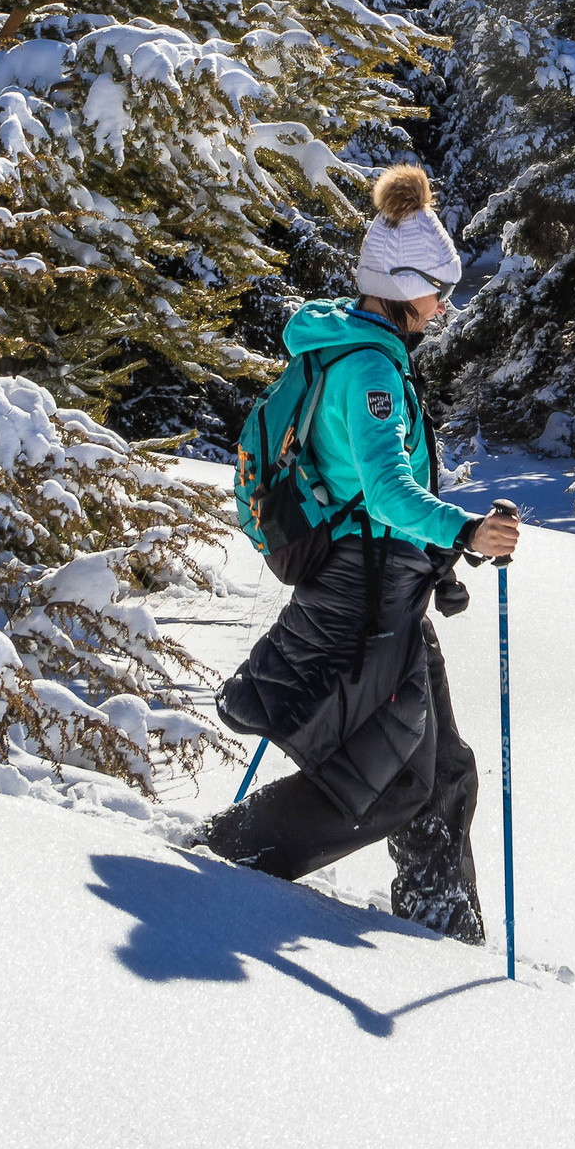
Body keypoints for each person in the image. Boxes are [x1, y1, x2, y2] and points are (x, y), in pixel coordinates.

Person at [201, 164, 519, 941]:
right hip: (364, 589)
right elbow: (382, 491)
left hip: (392, 582)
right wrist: (465, 533)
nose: (445, 305)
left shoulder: (360, 346)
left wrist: (440, 561)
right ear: (398, 282)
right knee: (395, 779)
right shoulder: (370, 367)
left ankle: (443, 925)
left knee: (444, 772)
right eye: (437, 289)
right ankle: (228, 854)